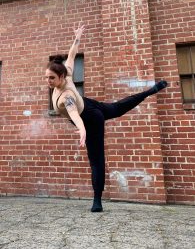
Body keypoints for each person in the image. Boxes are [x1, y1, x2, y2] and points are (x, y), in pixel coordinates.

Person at [45, 24, 167, 212]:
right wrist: (77, 38)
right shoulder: (66, 74)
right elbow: (71, 55)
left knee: (96, 160)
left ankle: (97, 200)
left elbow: (74, 115)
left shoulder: (66, 96)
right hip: (89, 105)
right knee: (117, 108)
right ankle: (149, 92)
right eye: (47, 78)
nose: (48, 82)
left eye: (51, 78)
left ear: (61, 77)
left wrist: (82, 129)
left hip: (91, 119)